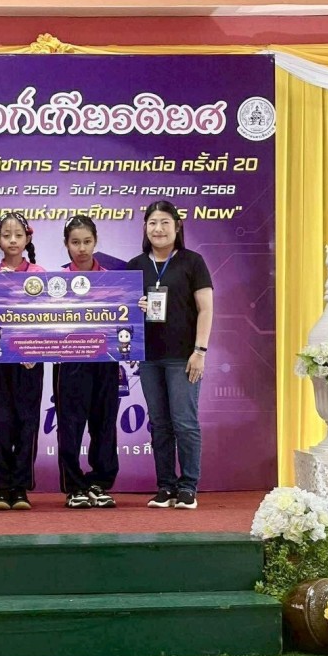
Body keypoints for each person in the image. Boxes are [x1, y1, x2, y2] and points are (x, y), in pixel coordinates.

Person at [126, 200, 213, 510]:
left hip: (183, 357)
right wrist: (134, 307)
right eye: (152, 223)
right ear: (145, 228)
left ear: (177, 226)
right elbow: (123, 314)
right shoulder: (135, 265)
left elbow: (206, 309)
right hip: (149, 357)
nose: (158, 229)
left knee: (184, 423)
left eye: (165, 222)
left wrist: (200, 351)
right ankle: (165, 486)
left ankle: (188, 487)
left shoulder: (193, 262)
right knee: (159, 424)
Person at [53, 216, 120, 509]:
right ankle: (74, 486)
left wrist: (138, 306)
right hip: (69, 362)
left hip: (106, 359)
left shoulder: (113, 279)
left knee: (104, 423)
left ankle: (99, 483)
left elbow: (125, 320)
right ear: (66, 244)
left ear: (96, 242)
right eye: (75, 242)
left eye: (87, 242)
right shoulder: (54, 282)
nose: (81, 248)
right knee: (70, 424)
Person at [0, 212, 46, 510]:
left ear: (27, 238)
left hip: (30, 361)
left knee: (27, 420)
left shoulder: (40, 274)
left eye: (18, 235)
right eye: (6, 235)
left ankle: (20, 488)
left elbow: (48, 318)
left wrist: (35, 350)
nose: (12, 240)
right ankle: (1, 488)